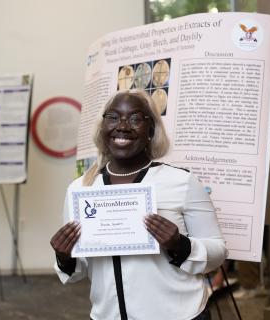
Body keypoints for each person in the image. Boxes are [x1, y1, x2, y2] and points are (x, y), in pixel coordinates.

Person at [50, 89, 227, 320]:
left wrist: (180, 245)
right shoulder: (81, 189)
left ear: (151, 130)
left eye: (135, 118)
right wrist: (64, 257)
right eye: (113, 117)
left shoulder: (181, 182)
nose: (122, 125)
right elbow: (79, 270)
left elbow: (218, 251)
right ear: (102, 127)